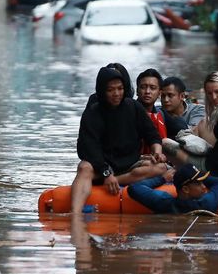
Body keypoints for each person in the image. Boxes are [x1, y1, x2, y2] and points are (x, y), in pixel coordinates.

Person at [72, 67, 168, 213]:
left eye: (120, 88)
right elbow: (89, 149)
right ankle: (75, 213)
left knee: (160, 167)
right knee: (84, 167)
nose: (116, 94)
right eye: (111, 90)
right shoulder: (93, 112)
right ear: (102, 91)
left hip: (129, 165)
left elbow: (152, 134)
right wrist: (106, 174)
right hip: (102, 166)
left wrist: (157, 151)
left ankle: (118, 180)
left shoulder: (133, 107)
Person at [127, 163, 218, 214]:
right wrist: (205, 178)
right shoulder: (207, 204)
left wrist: (162, 179)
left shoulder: (164, 203)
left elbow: (134, 187)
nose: (204, 187)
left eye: (203, 182)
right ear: (185, 189)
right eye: (199, 183)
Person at [136, 68, 167, 153]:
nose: (147, 91)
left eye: (152, 88)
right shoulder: (129, 111)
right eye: (143, 87)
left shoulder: (160, 115)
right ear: (137, 91)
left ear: (159, 93)